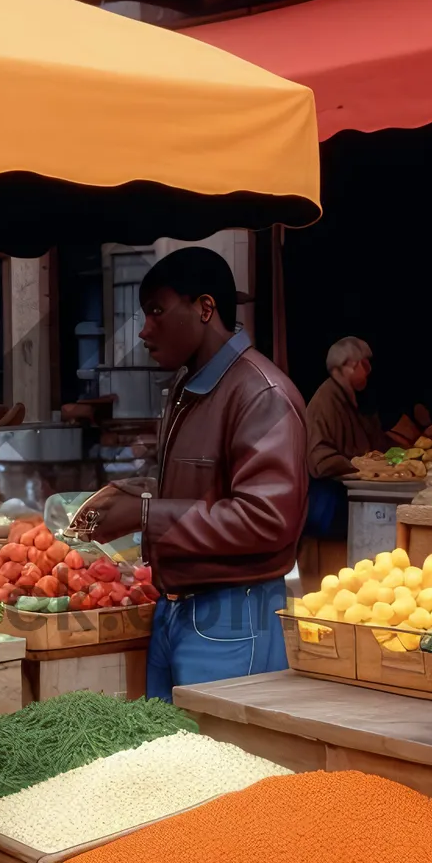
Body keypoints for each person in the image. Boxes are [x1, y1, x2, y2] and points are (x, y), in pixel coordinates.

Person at [82, 247, 307, 698]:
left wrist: (146, 514)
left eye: (157, 312)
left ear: (206, 308)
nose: (145, 330)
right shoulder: (190, 387)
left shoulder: (261, 394)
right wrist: (134, 495)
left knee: (226, 763)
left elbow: (266, 521)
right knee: (168, 758)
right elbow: (210, 488)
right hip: (176, 610)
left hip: (234, 615)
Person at [306, 336, 386, 479]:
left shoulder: (348, 398)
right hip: (331, 492)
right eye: (365, 365)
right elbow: (320, 460)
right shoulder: (325, 401)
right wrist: (360, 465)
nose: (369, 372)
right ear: (348, 365)